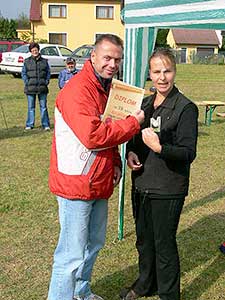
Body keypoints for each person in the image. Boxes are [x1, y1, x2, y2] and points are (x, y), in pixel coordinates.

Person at [48, 34, 145, 300]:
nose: (113, 64)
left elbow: (108, 126)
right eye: (107, 57)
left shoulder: (105, 87)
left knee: (93, 245)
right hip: (76, 184)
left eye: (117, 59)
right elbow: (93, 136)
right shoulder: (78, 90)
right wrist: (133, 124)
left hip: (98, 180)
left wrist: (114, 161)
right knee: (70, 254)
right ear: (92, 57)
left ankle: (81, 291)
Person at [120, 48, 198, 300]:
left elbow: (188, 152)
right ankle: (145, 285)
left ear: (175, 71)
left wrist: (161, 148)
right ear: (150, 74)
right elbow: (135, 137)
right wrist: (131, 151)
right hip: (142, 184)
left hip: (168, 187)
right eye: (157, 72)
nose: (162, 77)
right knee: (144, 241)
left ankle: (168, 294)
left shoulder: (185, 108)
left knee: (164, 245)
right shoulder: (145, 104)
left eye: (167, 71)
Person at [21, 42, 51, 130]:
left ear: (38, 50)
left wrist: (46, 81)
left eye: (36, 50)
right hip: (30, 87)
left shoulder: (44, 61)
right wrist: (27, 81)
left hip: (42, 87)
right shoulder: (27, 61)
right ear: (30, 51)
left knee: (43, 107)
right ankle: (29, 124)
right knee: (31, 107)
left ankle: (45, 124)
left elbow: (48, 72)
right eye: (33, 50)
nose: (35, 51)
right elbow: (23, 73)